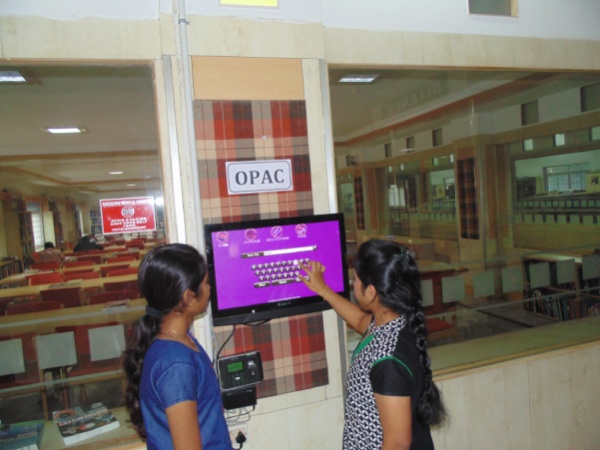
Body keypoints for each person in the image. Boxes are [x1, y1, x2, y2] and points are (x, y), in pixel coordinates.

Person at [301, 239, 447, 450]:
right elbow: (361, 321)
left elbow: (397, 444)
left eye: (356, 280)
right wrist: (324, 290)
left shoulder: (387, 360)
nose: (353, 284)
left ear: (370, 292)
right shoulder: (395, 323)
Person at [123, 244, 231, 450]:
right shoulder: (176, 365)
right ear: (188, 298)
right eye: (207, 283)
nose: (210, 288)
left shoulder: (179, 340)